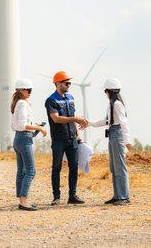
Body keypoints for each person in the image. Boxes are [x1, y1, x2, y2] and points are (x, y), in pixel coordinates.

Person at [80, 78, 133, 205]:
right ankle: (117, 195)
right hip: (112, 133)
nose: (105, 93)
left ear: (109, 91)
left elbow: (124, 122)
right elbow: (106, 121)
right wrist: (90, 123)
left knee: (120, 166)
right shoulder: (111, 105)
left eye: (105, 91)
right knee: (114, 167)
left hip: (117, 134)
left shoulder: (117, 105)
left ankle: (124, 197)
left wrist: (127, 141)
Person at [45, 71, 88, 206]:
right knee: (56, 167)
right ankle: (56, 197)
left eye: (69, 83)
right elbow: (56, 119)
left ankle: (72, 196)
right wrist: (75, 119)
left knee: (74, 167)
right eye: (66, 83)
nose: (69, 85)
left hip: (72, 138)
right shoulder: (51, 100)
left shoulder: (70, 98)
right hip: (58, 139)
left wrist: (78, 134)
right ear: (58, 84)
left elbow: (73, 117)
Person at [11, 78, 47, 211]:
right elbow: (21, 125)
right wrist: (39, 128)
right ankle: (24, 202)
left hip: (18, 138)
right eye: (28, 90)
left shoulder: (17, 104)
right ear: (21, 90)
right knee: (31, 171)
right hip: (24, 139)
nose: (30, 92)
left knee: (22, 171)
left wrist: (34, 125)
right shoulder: (23, 104)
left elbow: (16, 125)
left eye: (31, 90)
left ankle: (22, 201)